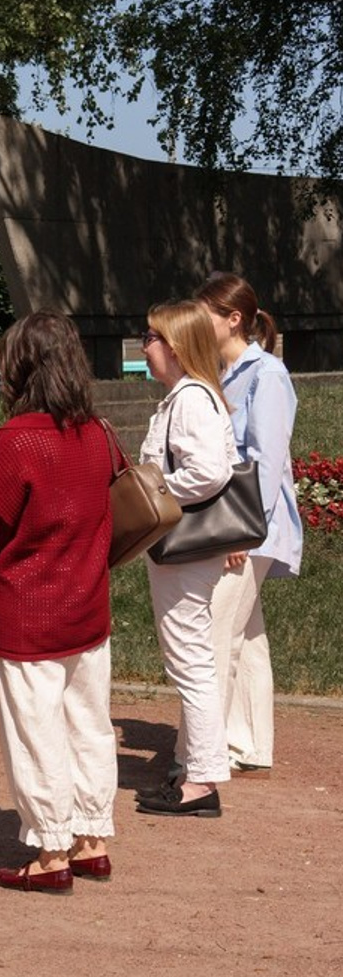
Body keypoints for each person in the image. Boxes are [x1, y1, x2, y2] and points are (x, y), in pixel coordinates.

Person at [0, 313, 119, 893]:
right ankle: (91, 840)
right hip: (88, 604)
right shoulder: (99, 432)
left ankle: (51, 852)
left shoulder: (12, 442)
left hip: (27, 610)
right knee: (89, 725)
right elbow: (116, 497)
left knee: (37, 732)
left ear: (20, 368)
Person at [135, 299, 240, 818]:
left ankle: (200, 781)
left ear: (174, 345)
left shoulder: (192, 398)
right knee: (192, 660)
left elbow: (210, 472)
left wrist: (152, 494)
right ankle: (197, 771)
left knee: (191, 662)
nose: (144, 346)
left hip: (184, 548)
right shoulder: (189, 396)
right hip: (184, 549)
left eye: (151, 337)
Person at [193, 272, 301, 775]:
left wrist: (241, 530)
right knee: (247, 636)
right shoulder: (224, 374)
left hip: (249, 527)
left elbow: (267, 458)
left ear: (233, 319)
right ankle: (250, 743)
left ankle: (207, 752)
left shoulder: (267, 375)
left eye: (205, 313)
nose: (196, 322)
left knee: (215, 635)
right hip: (243, 525)